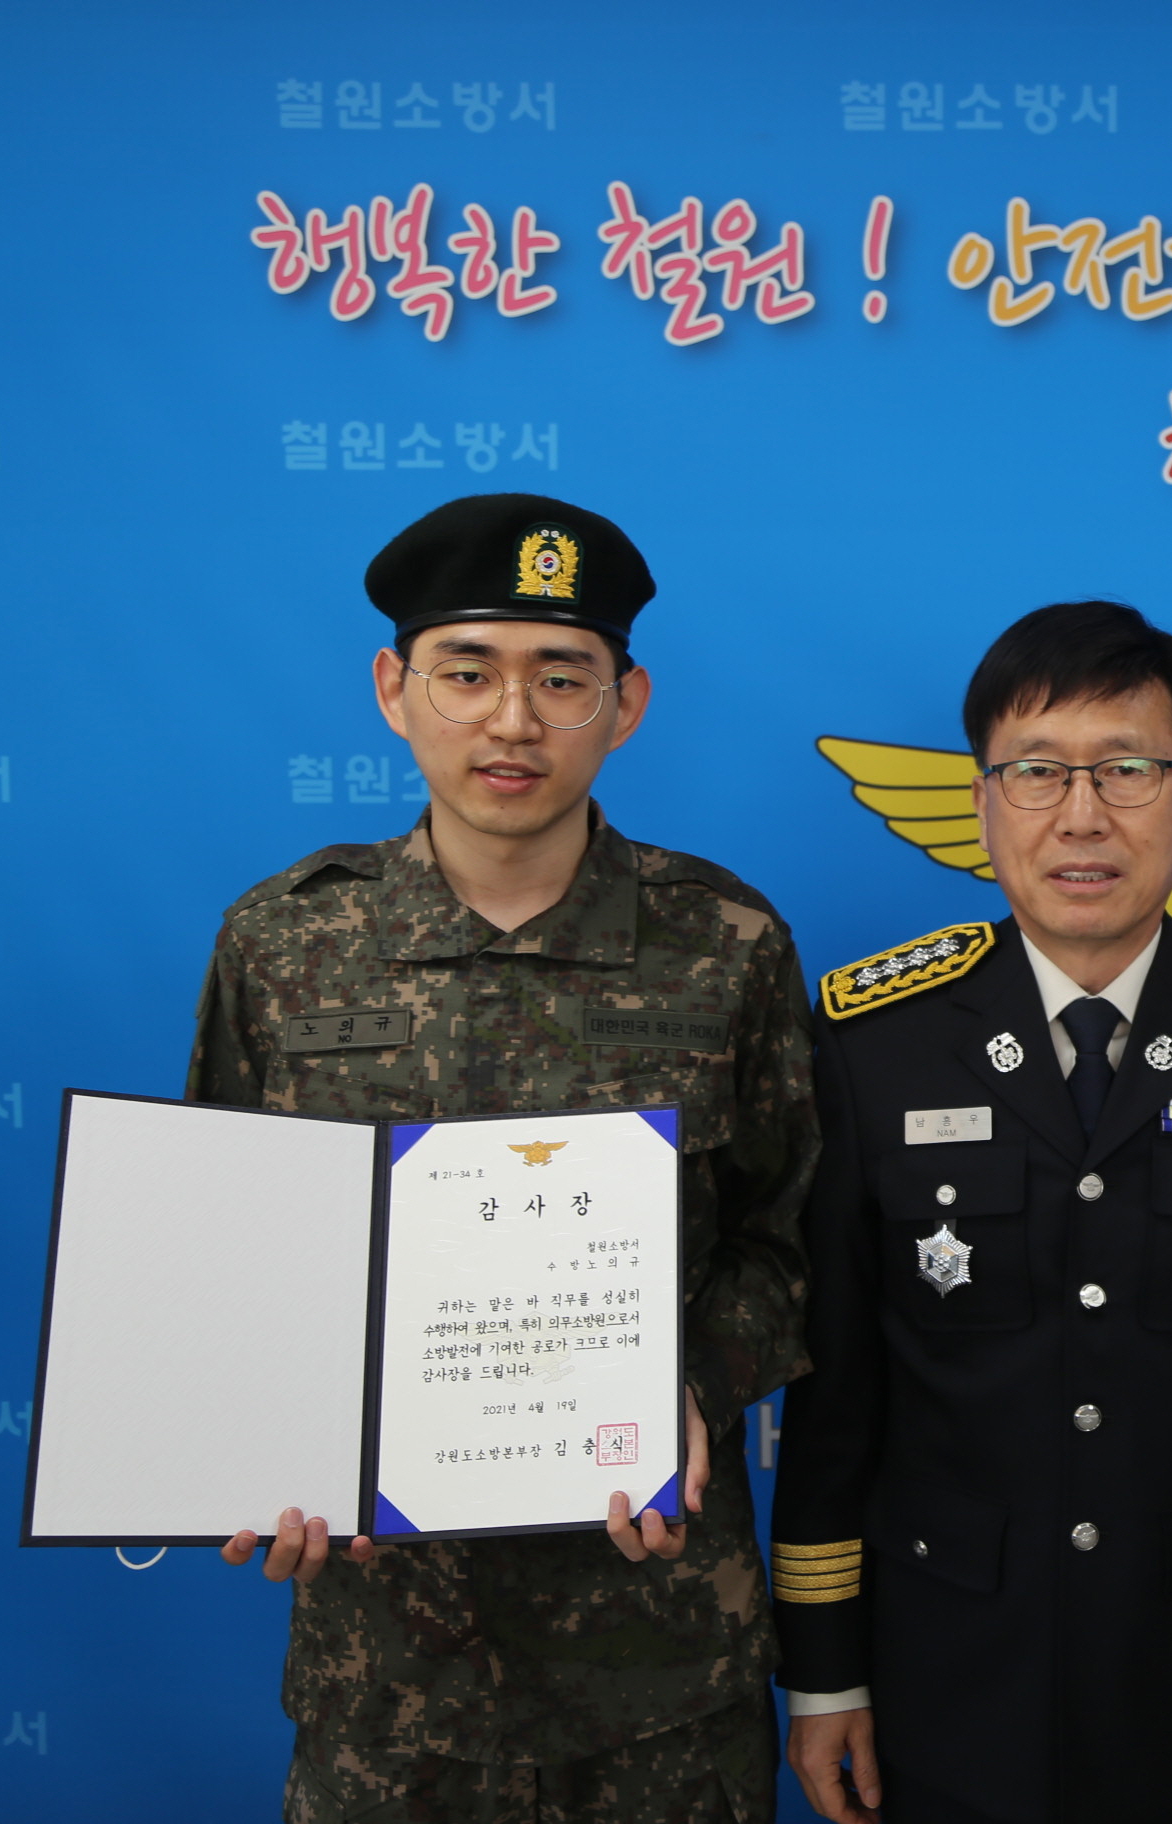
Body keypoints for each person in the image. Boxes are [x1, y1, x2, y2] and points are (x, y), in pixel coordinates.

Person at [191, 493, 819, 1822]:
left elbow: (788, 1238)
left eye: (561, 678)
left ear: (627, 702)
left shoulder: (728, 944)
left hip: (657, 1661)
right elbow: (224, 1251)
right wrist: (260, 1437)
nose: (514, 721)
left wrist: (693, 1384)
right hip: (385, 1676)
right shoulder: (283, 945)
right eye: (467, 673)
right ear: (393, 689)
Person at [770, 602, 1172, 1824]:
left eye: (1127, 770)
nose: (1081, 816)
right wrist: (823, 1670)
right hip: (945, 1672)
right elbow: (836, 1391)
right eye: (1036, 772)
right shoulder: (875, 1043)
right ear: (982, 802)